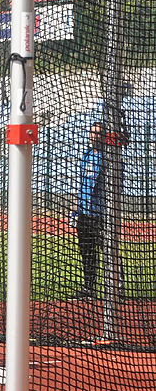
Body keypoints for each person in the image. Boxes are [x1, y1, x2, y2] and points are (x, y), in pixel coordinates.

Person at [71, 122, 106, 300]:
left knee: (107, 251)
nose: (94, 136)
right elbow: (83, 184)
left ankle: (117, 288)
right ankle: (89, 288)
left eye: (98, 133)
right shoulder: (86, 156)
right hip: (84, 214)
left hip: (100, 214)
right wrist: (76, 208)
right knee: (87, 251)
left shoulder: (109, 158)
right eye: (92, 132)